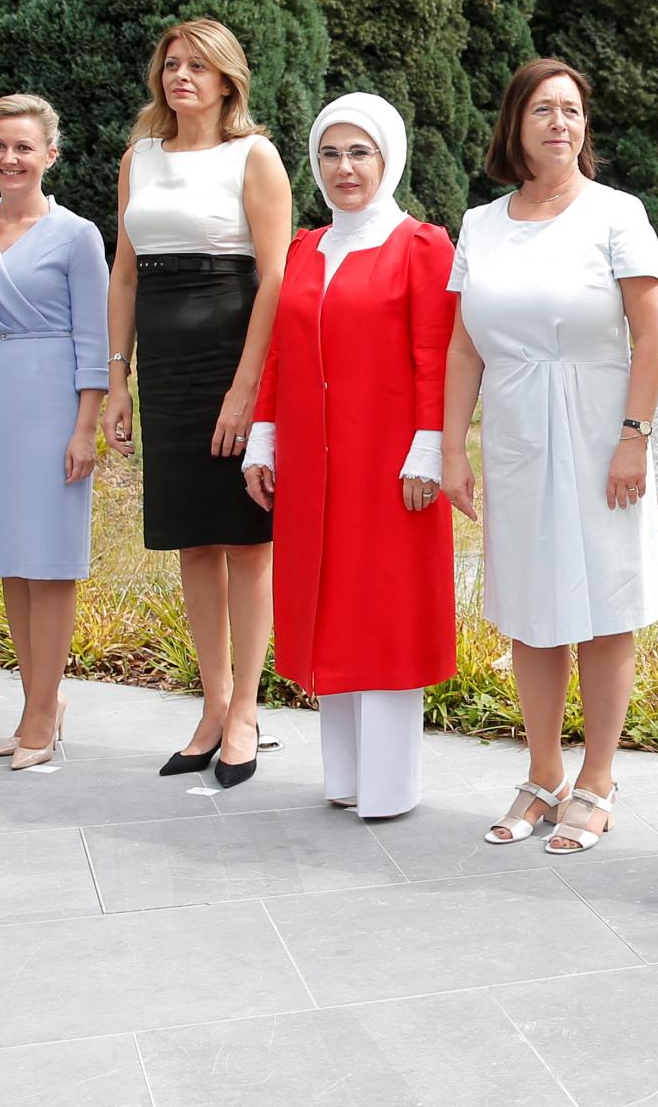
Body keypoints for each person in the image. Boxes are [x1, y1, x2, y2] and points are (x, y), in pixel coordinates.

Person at [442, 60, 658, 853]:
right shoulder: (479, 225)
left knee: (605, 607)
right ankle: (544, 775)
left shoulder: (617, 214)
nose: (560, 123)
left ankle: (598, 780)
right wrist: (452, 448)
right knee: (531, 609)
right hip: (516, 436)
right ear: (516, 123)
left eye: (572, 110)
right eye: (543, 109)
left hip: (602, 433)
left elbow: (652, 336)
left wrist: (634, 437)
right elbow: (464, 348)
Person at [243, 94, 457, 817]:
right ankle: (344, 778)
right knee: (328, 604)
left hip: (389, 462)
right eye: (330, 154)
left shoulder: (420, 246)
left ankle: (390, 786)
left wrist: (429, 448)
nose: (344, 168)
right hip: (313, 459)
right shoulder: (305, 249)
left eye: (360, 153)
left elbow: (437, 357)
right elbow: (281, 352)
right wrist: (264, 437)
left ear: (388, 159)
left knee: (384, 609)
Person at [105, 19, 292, 786]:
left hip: (231, 356)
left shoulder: (255, 156)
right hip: (166, 370)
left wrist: (247, 389)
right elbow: (125, 273)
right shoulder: (139, 158)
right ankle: (212, 707)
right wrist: (117, 379)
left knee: (246, 541)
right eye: (171, 64)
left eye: (198, 66)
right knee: (192, 541)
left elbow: (276, 278)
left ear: (226, 82)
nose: (181, 75)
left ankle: (247, 709)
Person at [0, 95, 109, 771]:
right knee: (7, 558)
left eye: (24, 147)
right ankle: (40, 701)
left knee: (50, 562)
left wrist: (84, 429)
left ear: (50, 155)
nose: (10, 158)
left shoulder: (77, 235)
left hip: (49, 403)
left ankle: (41, 710)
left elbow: (94, 341)